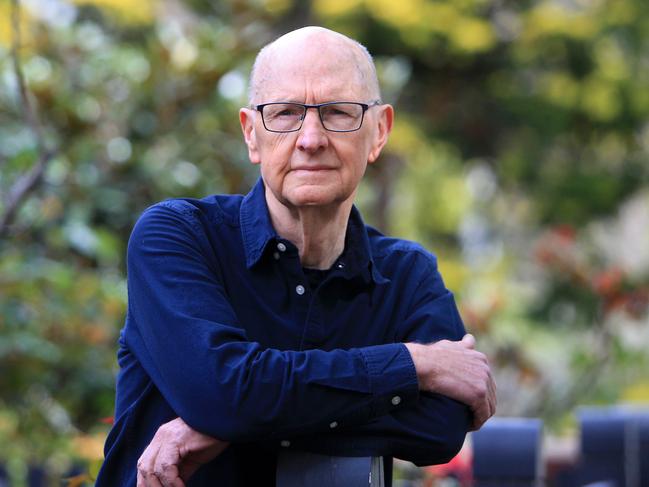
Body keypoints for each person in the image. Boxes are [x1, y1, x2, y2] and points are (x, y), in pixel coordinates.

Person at [96, 26, 496, 487]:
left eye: (337, 113)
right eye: (285, 113)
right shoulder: (179, 237)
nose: (311, 138)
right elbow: (221, 396)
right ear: (251, 134)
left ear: (379, 132)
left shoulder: (407, 274)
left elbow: (438, 429)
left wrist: (235, 422)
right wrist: (414, 365)